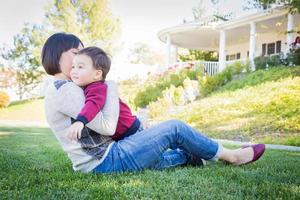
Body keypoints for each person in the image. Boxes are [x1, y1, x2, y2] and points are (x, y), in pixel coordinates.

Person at [42, 33, 266, 174]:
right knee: (174, 128)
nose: (81, 58)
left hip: (103, 159)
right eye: (75, 52)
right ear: (56, 56)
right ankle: (233, 157)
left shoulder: (66, 87)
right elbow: (108, 126)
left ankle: (198, 154)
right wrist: (110, 85)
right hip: (105, 161)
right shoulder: (63, 90)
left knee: (171, 155)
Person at [67, 46, 142, 141]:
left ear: (97, 74)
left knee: (157, 155)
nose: (74, 70)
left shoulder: (97, 87)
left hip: (132, 131)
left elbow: (93, 104)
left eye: (80, 67)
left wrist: (80, 121)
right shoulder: (88, 86)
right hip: (123, 133)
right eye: (73, 67)